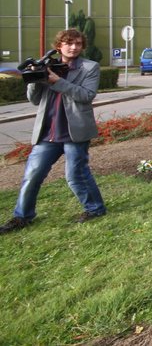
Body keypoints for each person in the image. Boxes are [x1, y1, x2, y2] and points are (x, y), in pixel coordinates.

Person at [0, 29, 106, 234]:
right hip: (48, 131)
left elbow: (86, 95)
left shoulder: (89, 67)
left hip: (74, 131)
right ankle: (22, 216)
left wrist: (57, 81)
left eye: (78, 44)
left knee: (75, 175)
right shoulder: (47, 66)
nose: (74, 47)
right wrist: (34, 77)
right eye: (69, 43)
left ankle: (95, 209)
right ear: (59, 46)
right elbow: (35, 100)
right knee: (32, 174)